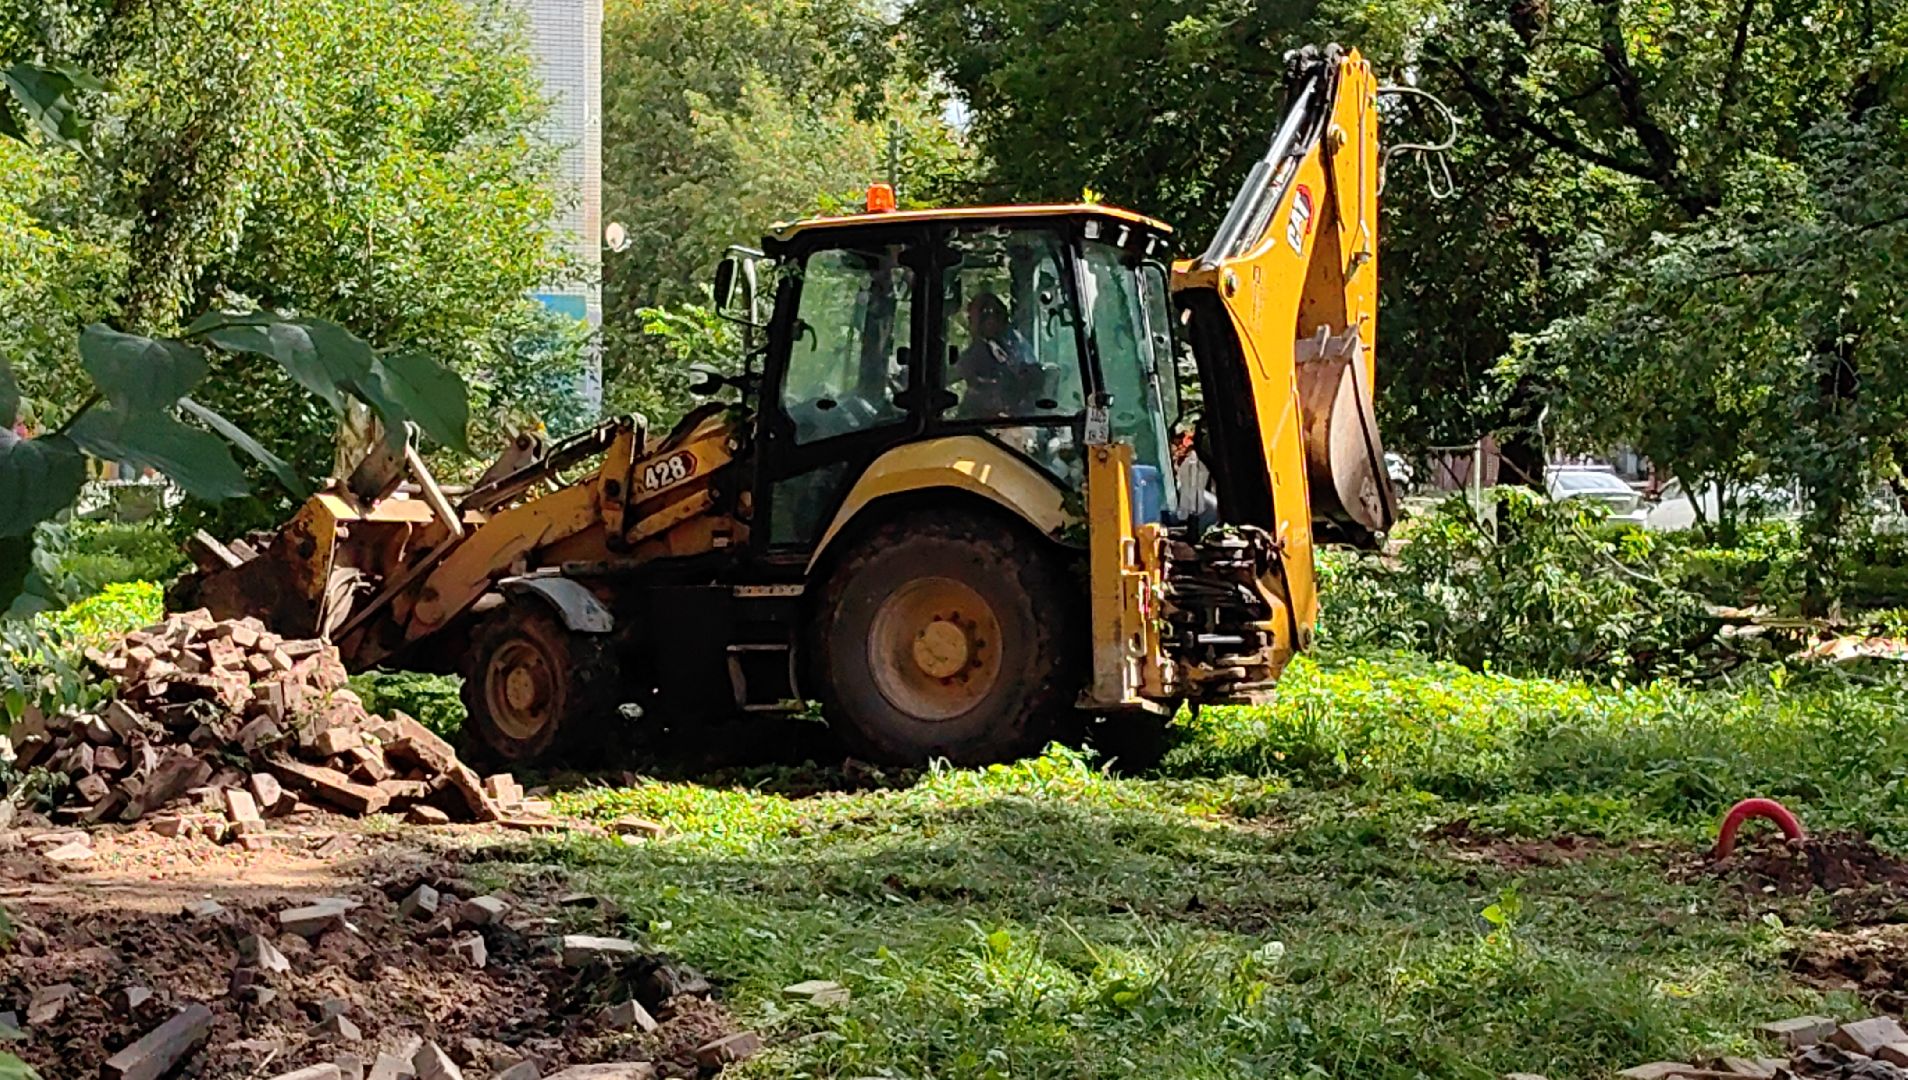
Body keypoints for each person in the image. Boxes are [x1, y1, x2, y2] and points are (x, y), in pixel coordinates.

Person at [950, 291, 1040, 417]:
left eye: (973, 318)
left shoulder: (1014, 344)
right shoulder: (980, 349)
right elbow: (957, 372)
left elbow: (1027, 376)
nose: (971, 325)